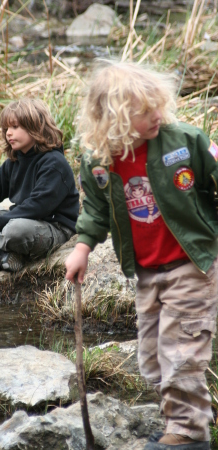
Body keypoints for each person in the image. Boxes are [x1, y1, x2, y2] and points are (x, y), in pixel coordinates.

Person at [65, 59, 218, 450]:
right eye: (145, 111)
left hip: (192, 265)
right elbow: (97, 210)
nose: (158, 115)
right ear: (114, 121)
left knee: (181, 350)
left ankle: (188, 433)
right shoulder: (99, 161)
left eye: (158, 106)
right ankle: (177, 419)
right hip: (147, 273)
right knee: (151, 357)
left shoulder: (183, 141)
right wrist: (82, 247)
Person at [0, 97, 79, 273]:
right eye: (6, 128)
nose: (8, 133)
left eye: (15, 127)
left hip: (54, 227)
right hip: (22, 218)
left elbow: (37, 207)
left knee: (14, 230)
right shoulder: (14, 161)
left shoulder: (54, 163)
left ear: (35, 127)